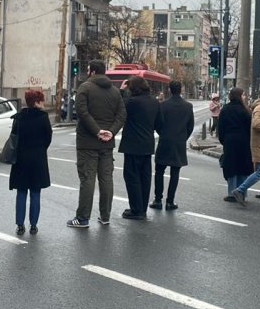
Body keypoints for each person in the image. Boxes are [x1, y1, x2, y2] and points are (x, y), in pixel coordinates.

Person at [69, 60, 126, 228]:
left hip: (87, 142)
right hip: (107, 144)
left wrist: (96, 131)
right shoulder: (115, 91)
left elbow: (82, 112)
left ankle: (83, 218)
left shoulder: (85, 88)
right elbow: (122, 115)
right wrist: (111, 132)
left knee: (87, 179)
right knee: (106, 179)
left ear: (92, 72)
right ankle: (105, 216)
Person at [118, 76, 162, 220]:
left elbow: (119, 107)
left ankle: (136, 210)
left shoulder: (132, 102)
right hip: (147, 145)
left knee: (132, 177)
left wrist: (122, 90)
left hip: (132, 145)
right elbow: (159, 124)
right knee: (145, 177)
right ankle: (142, 208)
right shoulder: (155, 102)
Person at [10, 89, 53, 235]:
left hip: (21, 159)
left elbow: (14, 137)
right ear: (36, 102)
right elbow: (48, 137)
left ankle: (20, 224)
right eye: (41, 100)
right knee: (35, 192)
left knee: (21, 192)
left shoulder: (19, 117)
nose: (43, 103)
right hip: (38, 159)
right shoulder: (43, 117)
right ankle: (33, 225)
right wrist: (40, 149)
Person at [152, 81, 194, 211]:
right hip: (179, 142)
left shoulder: (163, 105)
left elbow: (157, 123)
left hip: (165, 140)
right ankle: (170, 202)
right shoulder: (187, 106)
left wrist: (163, 133)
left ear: (169, 90)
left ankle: (158, 200)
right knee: (175, 172)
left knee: (159, 171)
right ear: (180, 90)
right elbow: (190, 126)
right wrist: (183, 137)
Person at [217, 87, 253, 201]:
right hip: (244, 141)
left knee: (231, 167)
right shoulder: (245, 110)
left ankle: (232, 193)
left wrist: (223, 140)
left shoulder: (225, 109)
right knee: (243, 167)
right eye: (243, 95)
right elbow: (250, 127)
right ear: (238, 96)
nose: (245, 97)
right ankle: (242, 192)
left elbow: (220, 127)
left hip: (230, 141)